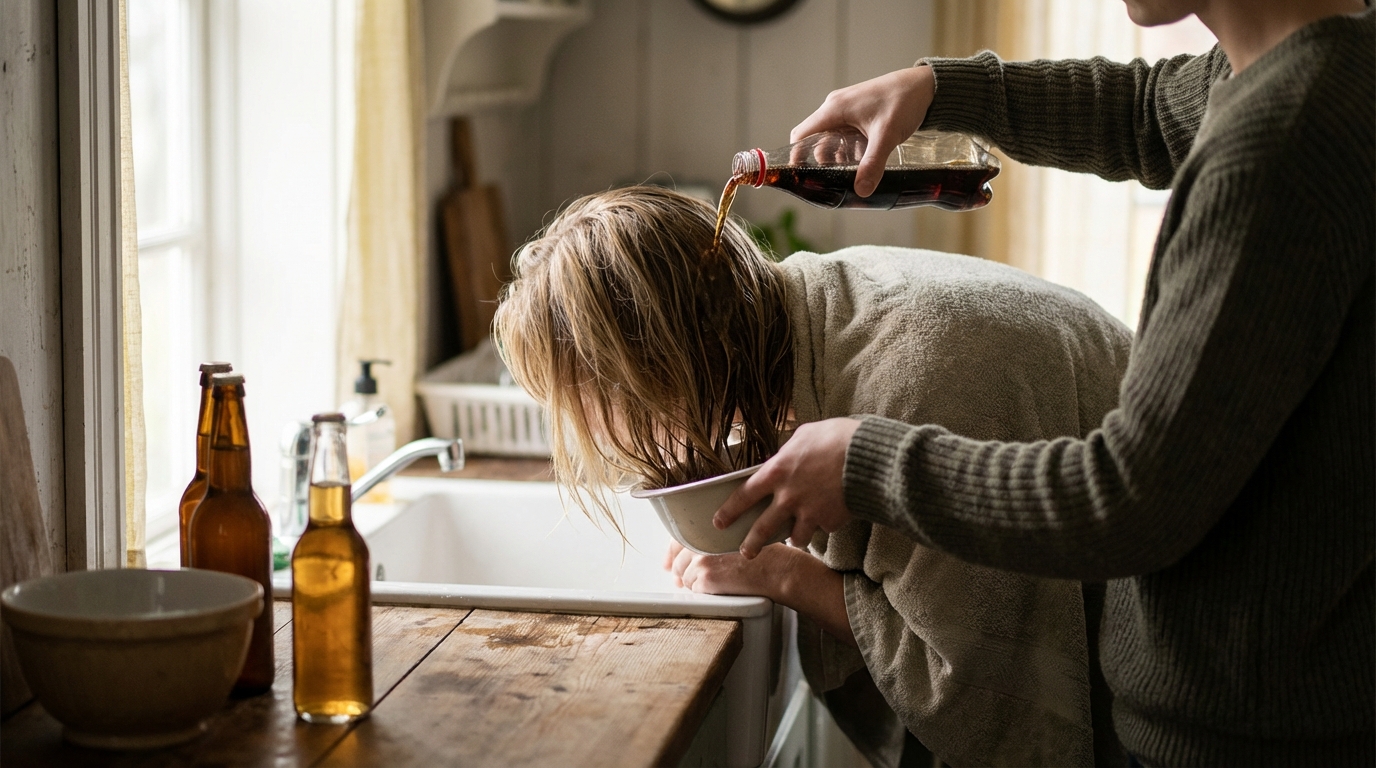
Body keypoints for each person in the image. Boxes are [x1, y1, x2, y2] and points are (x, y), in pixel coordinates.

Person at [714, 1, 1375, 764]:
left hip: (1244, 733)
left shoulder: (1282, 145)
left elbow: (1128, 498)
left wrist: (866, 464)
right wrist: (938, 88)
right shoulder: (1317, 65)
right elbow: (1149, 112)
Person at [494, 185, 1137, 766]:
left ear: (654, 368)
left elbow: (994, 694)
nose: (590, 432)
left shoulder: (909, 383)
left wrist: (788, 575)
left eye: (582, 402)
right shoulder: (812, 303)